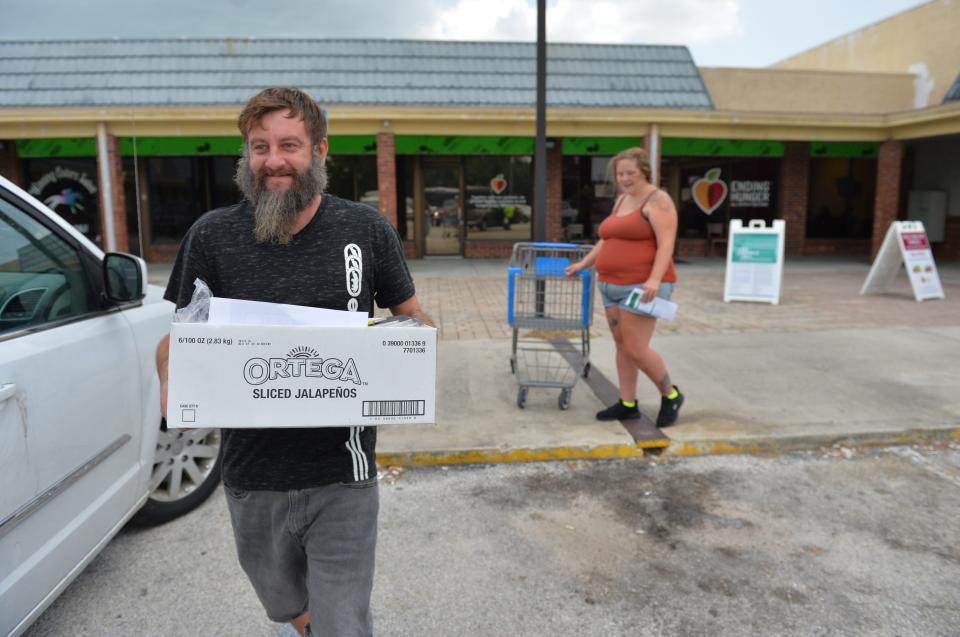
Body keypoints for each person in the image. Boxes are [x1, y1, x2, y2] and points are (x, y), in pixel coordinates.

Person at [155, 87, 434, 637]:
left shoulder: (365, 230)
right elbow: (177, 340)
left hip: (343, 472)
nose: (274, 160)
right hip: (252, 473)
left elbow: (411, 315)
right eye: (260, 147)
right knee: (284, 605)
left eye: (289, 145)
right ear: (246, 156)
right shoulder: (210, 235)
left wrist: (412, 349)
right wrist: (172, 381)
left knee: (343, 623)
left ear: (320, 151)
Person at [565, 147, 684, 427]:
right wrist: (584, 264)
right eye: (621, 173)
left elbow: (667, 243)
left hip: (641, 286)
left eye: (631, 172)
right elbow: (607, 239)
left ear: (644, 171)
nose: (625, 178)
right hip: (609, 286)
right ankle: (628, 403)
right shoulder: (621, 200)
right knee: (622, 346)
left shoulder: (659, 200)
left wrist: (654, 279)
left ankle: (671, 394)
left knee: (636, 347)